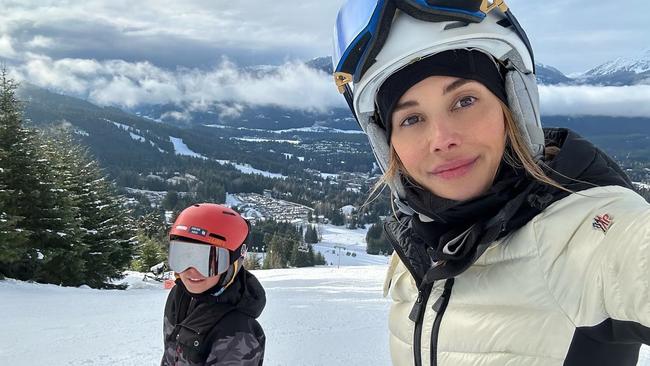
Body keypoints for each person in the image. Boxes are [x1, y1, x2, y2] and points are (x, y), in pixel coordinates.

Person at [331, 1, 649, 365]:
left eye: (465, 100)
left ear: (512, 107)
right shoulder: (420, 244)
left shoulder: (588, 238)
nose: (441, 139)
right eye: (411, 118)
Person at [161, 203, 265, 366]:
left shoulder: (237, 332)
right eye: (183, 256)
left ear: (233, 265)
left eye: (209, 262)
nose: (192, 271)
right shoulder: (180, 296)